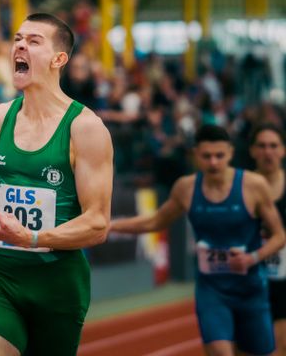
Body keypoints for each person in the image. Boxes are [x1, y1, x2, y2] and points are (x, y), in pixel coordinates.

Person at [0, 13, 113, 356]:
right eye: (17, 39)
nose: (20, 46)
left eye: (33, 41)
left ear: (59, 59)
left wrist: (33, 238)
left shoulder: (86, 128)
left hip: (58, 285)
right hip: (1, 277)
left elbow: (97, 224)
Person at [111, 124, 286, 356]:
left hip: (251, 290)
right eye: (206, 156)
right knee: (219, 351)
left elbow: (279, 236)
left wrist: (252, 258)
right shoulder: (186, 188)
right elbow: (155, 221)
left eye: (219, 156)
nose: (213, 162)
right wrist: (111, 225)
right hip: (212, 290)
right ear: (195, 156)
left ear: (231, 154)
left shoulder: (253, 186)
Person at [249, 123, 286, 356]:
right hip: (250, 280)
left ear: (283, 150)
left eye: (273, 146)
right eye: (261, 146)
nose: (267, 151)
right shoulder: (241, 187)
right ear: (253, 151)